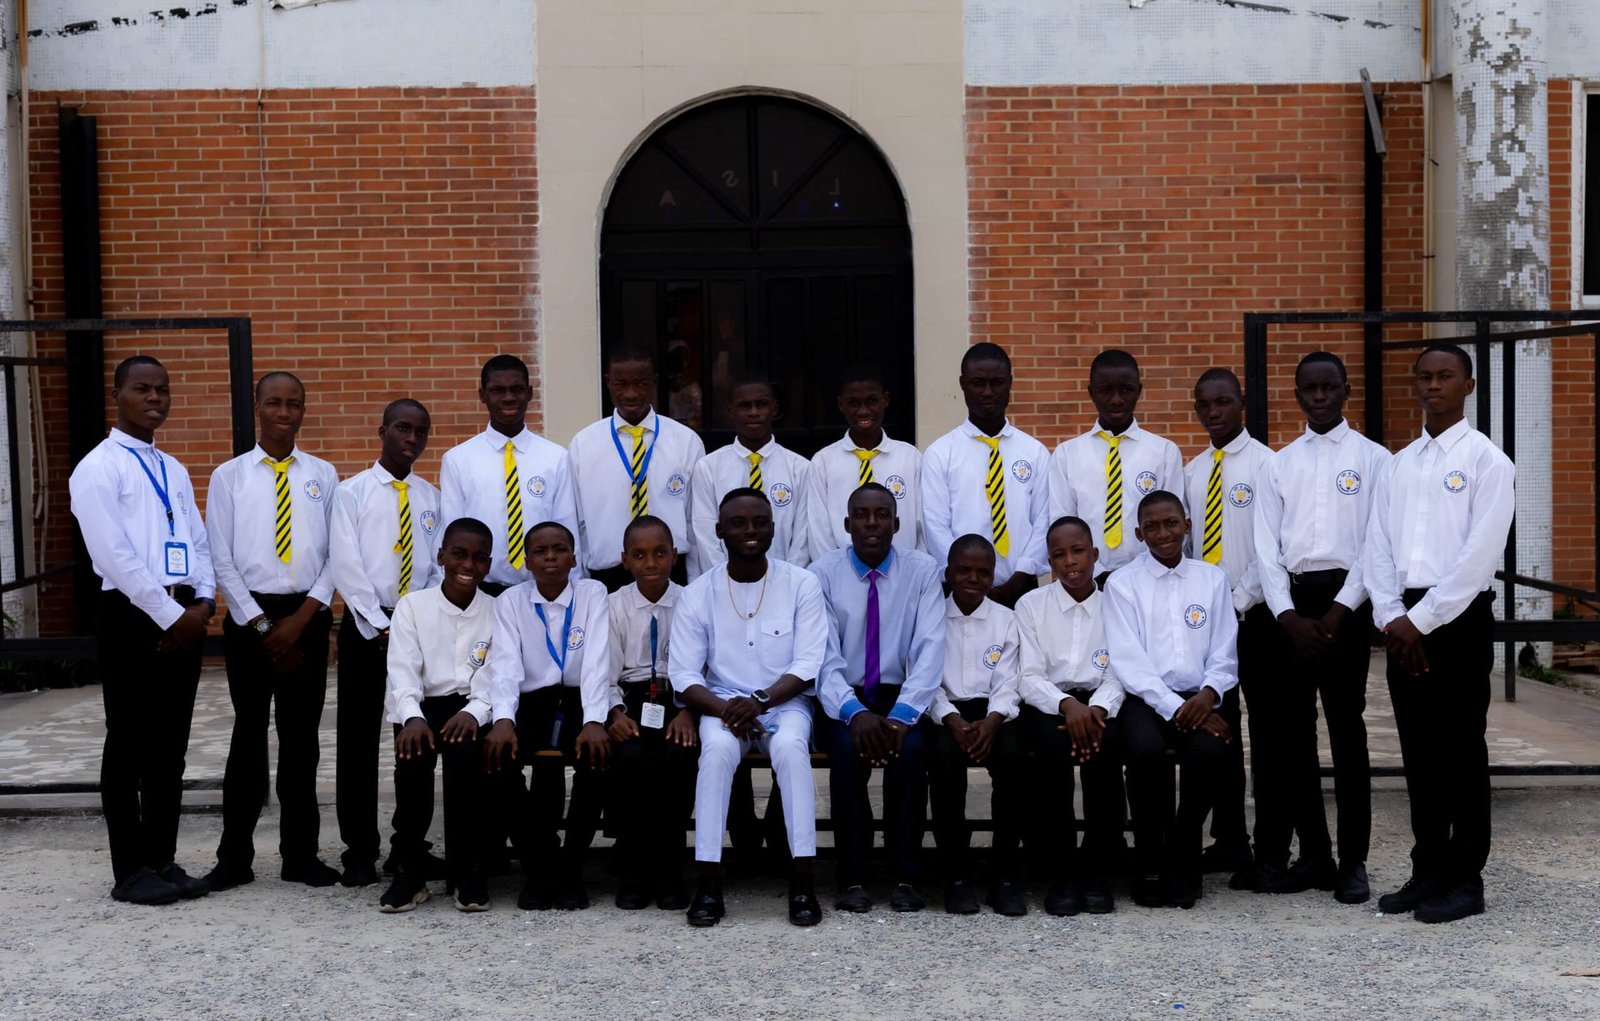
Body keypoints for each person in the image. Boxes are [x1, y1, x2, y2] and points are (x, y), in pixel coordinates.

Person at [1365, 343, 1514, 925]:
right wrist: (1390, 616)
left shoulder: (1487, 463)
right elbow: (1378, 546)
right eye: (1424, 377)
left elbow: (1478, 559)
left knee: (1461, 751)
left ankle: (1465, 878)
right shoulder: (1399, 465)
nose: (1433, 386)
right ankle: (1427, 869)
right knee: (1419, 751)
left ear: (1468, 386)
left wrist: (1419, 621)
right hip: (1403, 621)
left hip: (1457, 620)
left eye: (1445, 376)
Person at [68, 355, 216, 905]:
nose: (155, 398)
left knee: (169, 749)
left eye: (162, 390)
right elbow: (114, 555)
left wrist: (203, 601)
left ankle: (162, 858)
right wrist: (171, 617)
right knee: (128, 745)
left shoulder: (171, 467)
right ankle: (129, 871)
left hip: (183, 614)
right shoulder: (97, 468)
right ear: (118, 395)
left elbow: (197, 540)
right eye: (142, 389)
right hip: (132, 616)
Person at [1252, 351, 1388, 903]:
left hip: (1346, 609)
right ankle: (1314, 854)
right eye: (1309, 388)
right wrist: (1286, 615)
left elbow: (1377, 543)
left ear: (1347, 390)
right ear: (1297, 395)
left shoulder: (1375, 460)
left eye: (1329, 387)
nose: (1320, 396)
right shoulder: (1279, 464)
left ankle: (1353, 860)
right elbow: (1266, 546)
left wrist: (1340, 610)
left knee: (1347, 733)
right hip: (1292, 610)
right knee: (1294, 737)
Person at [204, 371, 340, 891]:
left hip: (306, 616)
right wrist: (263, 625)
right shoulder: (230, 477)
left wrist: (301, 619)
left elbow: (336, 554)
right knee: (248, 737)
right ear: (258, 407)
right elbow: (221, 557)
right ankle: (234, 857)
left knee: (301, 741)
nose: (285, 413)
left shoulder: (323, 475)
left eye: (294, 404)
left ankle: (300, 855)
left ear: (304, 410)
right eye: (275, 403)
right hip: (250, 620)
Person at [669, 489, 828, 928]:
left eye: (759, 522)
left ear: (773, 528)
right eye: (738, 523)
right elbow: (684, 674)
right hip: (722, 705)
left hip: (784, 703)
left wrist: (760, 701)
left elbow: (808, 663)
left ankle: (802, 880)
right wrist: (728, 710)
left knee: (792, 749)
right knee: (717, 752)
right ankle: (708, 882)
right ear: (720, 531)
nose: (750, 530)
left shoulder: (801, 584)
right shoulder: (698, 593)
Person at [813, 483, 945, 913]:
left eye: (882, 514)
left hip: (901, 694)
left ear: (897, 523)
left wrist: (902, 715)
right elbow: (822, 657)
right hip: (843, 696)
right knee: (846, 755)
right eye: (862, 515)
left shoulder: (922, 571)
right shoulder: (822, 574)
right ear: (847, 523)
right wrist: (853, 712)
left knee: (912, 755)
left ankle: (906, 875)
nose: (872, 523)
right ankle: (853, 877)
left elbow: (929, 649)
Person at [328, 398, 442, 889]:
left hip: (414, 628)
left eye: (420, 431)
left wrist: (415, 621)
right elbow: (345, 563)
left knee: (412, 739)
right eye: (402, 428)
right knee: (357, 743)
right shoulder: (351, 492)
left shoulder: (431, 497)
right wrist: (377, 624)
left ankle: (407, 847)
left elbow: (436, 565)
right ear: (382, 431)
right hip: (366, 629)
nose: (411, 439)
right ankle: (359, 850)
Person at [1103, 490, 1236, 909]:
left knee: (1210, 751)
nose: (1163, 533)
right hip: (1146, 699)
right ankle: (1149, 860)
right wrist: (1177, 707)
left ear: (1187, 526)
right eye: (1153, 527)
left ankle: (1183, 853)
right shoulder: (1122, 584)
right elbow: (1129, 662)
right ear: (1139, 533)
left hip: (1200, 695)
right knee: (1145, 752)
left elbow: (1224, 651)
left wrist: (1209, 693)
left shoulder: (1212, 579)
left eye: (1172, 523)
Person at [481, 521, 614, 911]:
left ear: (574, 557)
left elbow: (597, 661)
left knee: (597, 759)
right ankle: (538, 865)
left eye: (559, 549)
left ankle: (571, 868)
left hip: (579, 699)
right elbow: (506, 665)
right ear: (527, 561)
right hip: (533, 702)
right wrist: (503, 719)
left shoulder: (593, 593)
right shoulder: (511, 601)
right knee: (497, 759)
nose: (551, 557)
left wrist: (594, 721)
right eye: (540, 551)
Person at [1181, 368, 1273, 880]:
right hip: (1207, 626)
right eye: (1204, 405)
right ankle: (1229, 837)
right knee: (1221, 730)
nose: (1213, 412)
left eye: (1223, 402)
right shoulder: (1193, 472)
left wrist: (1236, 601)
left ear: (1241, 402)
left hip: (1254, 616)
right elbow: (1188, 549)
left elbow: (1270, 547)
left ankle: (1268, 841)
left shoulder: (1266, 465)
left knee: (1262, 729)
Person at [378, 517, 497, 913]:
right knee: (412, 765)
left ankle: (465, 874)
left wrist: (475, 712)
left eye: (479, 558)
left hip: (471, 707)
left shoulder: (497, 610)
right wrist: (412, 717)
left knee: (466, 768)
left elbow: (496, 674)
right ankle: (408, 872)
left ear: (489, 564)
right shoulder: (413, 606)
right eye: (459, 554)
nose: (468, 565)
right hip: (421, 705)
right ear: (441, 555)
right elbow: (402, 670)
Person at [1015, 515, 1127, 916]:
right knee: (1050, 755)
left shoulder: (1117, 604)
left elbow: (1122, 670)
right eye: (1059, 555)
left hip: (1100, 703)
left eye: (1078, 551)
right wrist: (1067, 705)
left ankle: (1097, 869)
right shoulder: (1031, 606)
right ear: (1050, 563)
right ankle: (1060, 870)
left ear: (1094, 554)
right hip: (1049, 704)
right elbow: (1028, 676)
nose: (1070, 561)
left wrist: (1096, 708)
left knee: (1106, 751)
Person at [927, 534, 1027, 917]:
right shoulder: (930, 616)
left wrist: (993, 719)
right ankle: (955, 874)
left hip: (994, 713)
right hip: (945, 712)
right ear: (948, 572)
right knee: (943, 763)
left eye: (983, 572)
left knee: (1013, 760)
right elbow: (924, 679)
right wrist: (950, 718)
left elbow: (1009, 680)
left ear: (993, 575)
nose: (973, 579)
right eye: (963, 570)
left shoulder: (1006, 619)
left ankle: (1004, 875)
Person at [604, 515, 699, 911]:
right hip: (633, 700)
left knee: (679, 758)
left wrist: (690, 711)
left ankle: (669, 870)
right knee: (632, 760)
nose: (651, 563)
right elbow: (604, 672)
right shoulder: (614, 606)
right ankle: (635, 870)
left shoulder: (692, 601)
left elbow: (707, 666)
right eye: (640, 555)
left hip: (681, 701)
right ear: (625, 560)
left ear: (674, 556)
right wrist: (614, 714)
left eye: (660, 553)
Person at [439, 354, 579, 597]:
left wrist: (573, 588)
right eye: (497, 390)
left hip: (542, 588)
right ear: (482, 395)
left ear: (530, 393)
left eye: (517, 389)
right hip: (480, 590)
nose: (508, 397)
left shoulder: (556, 458)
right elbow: (452, 531)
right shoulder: (458, 460)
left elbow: (567, 528)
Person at [922, 343, 1050, 608]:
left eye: (997, 383)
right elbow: (935, 525)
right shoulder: (940, 453)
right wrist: (965, 577)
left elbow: (1044, 520)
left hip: (1021, 590)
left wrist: (1021, 576)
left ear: (1010, 383)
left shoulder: (1034, 452)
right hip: (960, 591)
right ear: (962, 384)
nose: (988, 392)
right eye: (978, 383)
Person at [569, 346, 705, 591]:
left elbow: (694, 521)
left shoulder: (685, 441)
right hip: (608, 574)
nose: (631, 393)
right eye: (620, 384)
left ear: (654, 382)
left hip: (671, 571)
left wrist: (696, 583)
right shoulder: (583, 444)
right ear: (608, 383)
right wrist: (580, 583)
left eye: (641, 384)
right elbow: (577, 522)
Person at [1048, 349, 1184, 585]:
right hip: (1088, 582)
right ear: (1091, 393)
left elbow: (1173, 523)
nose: (1116, 399)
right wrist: (1097, 572)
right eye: (1105, 391)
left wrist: (1136, 574)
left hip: (1150, 580)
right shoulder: (1066, 455)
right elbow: (1062, 523)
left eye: (1126, 390)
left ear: (1139, 390)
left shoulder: (1164, 452)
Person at [690, 376, 811, 576]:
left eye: (761, 404)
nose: (754, 412)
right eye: (744, 406)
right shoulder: (708, 468)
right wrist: (726, 580)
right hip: (727, 581)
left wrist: (788, 580)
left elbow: (802, 536)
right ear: (730, 410)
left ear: (774, 408)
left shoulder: (800, 468)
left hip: (786, 581)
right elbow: (706, 536)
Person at [808, 364, 922, 561]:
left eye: (872, 401)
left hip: (903, 569)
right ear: (841, 404)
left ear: (886, 400)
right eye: (853, 403)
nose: (863, 411)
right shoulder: (823, 462)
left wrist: (913, 567)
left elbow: (922, 525)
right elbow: (818, 531)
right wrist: (834, 571)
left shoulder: (910, 457)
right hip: (842, 571)